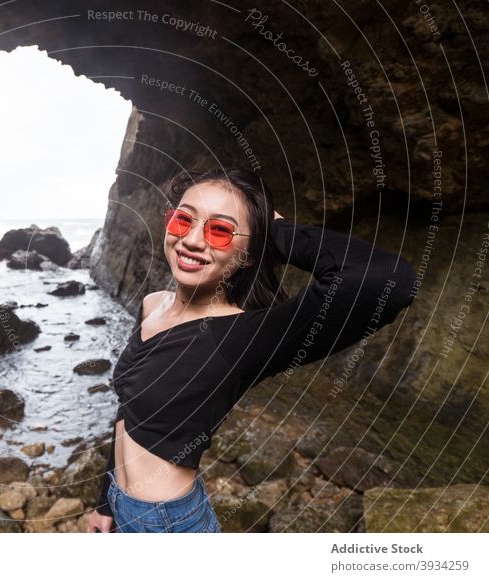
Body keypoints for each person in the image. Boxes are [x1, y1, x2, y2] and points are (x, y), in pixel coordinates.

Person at [86, 167, 417, 533]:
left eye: (220, 230)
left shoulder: (245, 335)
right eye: (183, 220)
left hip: (169, 525)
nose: (193, 240)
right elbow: (127, 410)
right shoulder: (152, 304)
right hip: (121, 501)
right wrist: (106, 502)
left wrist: (275, 232)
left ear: (248, 254)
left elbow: (391, 281)